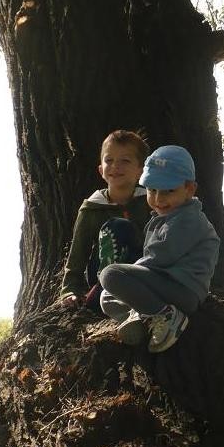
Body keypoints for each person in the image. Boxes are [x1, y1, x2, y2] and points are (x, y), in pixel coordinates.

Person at [99, 145, 220, 353]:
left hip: (183, 289)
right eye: (152, 190)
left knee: (111, 275)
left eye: (168, 191)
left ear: (189, 189)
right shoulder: (165, 218)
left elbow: (158, 258)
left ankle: (166, 316)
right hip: (165, 284)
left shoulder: (188, 219)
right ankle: (142, 319)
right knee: (106, 297)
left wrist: (127, 273)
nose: (158, 199)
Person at [60, 129, 151, 312]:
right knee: (117, 227)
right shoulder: (92, 209)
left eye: (125, 160)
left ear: (141, 170)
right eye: (109, 160)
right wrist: (70, 290)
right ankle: (104, 293)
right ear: (101, 170)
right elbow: (78, 254)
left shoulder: (150, 202)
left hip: (142, 268)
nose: (116, 166)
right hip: (104, 271)